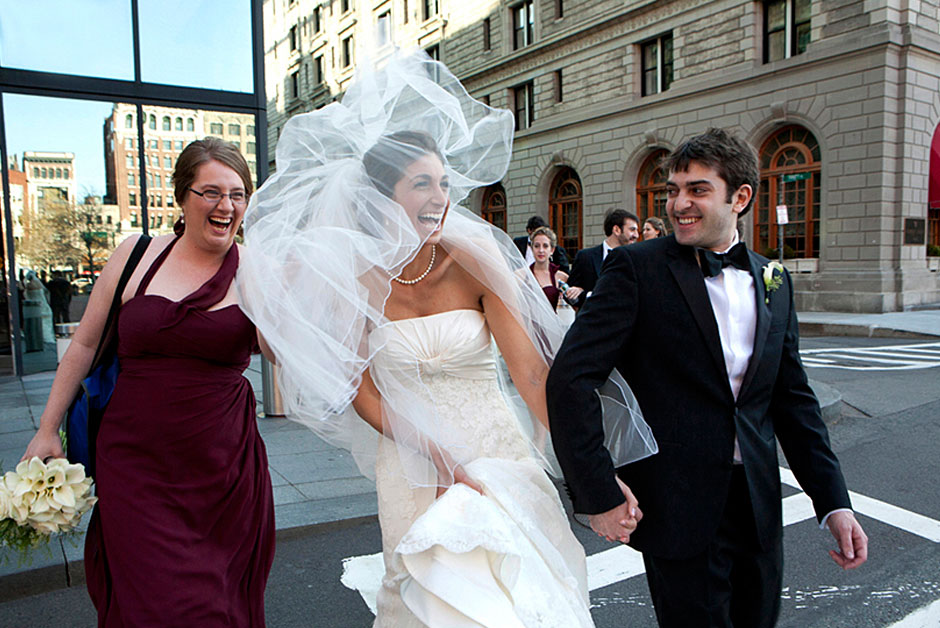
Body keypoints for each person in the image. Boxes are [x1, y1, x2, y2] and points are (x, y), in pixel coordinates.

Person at [236, 52, 655, 627]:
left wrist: (593, 472)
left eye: (444, 183)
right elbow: (361, 391)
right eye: (421, 184)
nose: (439, 197)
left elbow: (533, 376)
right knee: (431, 607)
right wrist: (428, 448)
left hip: (495, 458)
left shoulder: (474, 261)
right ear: (382, 195)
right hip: (410, 461)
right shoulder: (355, 282)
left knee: (516, 606)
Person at [547, 128, 867, 628]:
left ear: (740, 197)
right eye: (673, 190)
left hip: (758, 508)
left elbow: (793, 402)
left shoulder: (772, 280)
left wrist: (833, 503)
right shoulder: (636, 269)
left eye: (697, 190)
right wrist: (598, 492)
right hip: (678, 507)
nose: (679, 204)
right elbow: (570, 379)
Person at [23, 138, 275, 626]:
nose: (226, 206)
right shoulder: (135, 256)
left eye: (238, 193)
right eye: (211, 192)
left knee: (214, 605)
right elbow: (83, 346)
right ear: (182, 196)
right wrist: (46, 428)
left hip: (222, 472)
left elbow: (281, 352)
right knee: (149, 603)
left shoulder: (256, 270)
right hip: (135, 469)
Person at [566, 209, 639, 308]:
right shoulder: (585, 257)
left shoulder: (636, 258)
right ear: (617, 230)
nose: (636, 235)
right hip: (593, 321)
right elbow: (569, 294)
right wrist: (583, 294)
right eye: (632, 230)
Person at [528, 225, 571, 311]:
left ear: (552, 250)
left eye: (545, 246)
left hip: (552, 323)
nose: (541, 250)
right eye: (536, 246)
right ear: (532, 249)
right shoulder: (522, 275)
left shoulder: (561, 276)